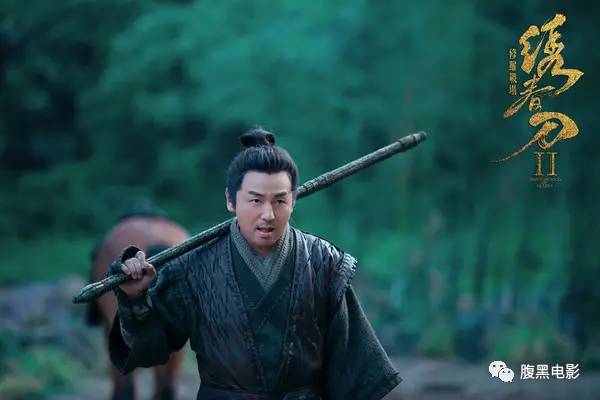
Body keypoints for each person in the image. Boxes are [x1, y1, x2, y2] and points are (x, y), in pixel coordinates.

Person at [108, 129, 402, 399]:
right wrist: (135, 299)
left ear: (294, 201)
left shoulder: (325, 263)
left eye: (279, 201)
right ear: (230, 200)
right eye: (255, 200)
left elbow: (356, 373)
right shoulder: (192, 267)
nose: (268, 214)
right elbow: (149, 349)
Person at [89, 204, 188, 400]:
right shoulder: (177, 232)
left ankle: (93, 309)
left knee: (123, 386)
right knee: (167, 387)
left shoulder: (116, 232)